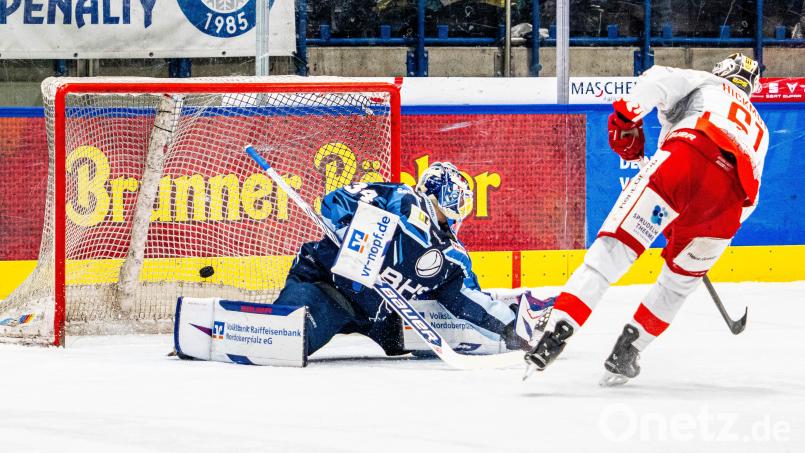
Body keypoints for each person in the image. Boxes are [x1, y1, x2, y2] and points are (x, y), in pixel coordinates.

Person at [524, 53, 768, 386]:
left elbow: (654, 79)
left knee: (613, 252)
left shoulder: (707, 82)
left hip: (686, 159)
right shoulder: (760, 129)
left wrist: (626, 120)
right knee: (678, 284)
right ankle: (627, 351)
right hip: (726, 208)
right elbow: (748, 199)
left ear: (723, 71)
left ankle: (555, 334)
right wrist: (697, 224)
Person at [275, 161, 552, 358]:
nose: (462, 210)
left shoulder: (452, 256)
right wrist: (351, 229)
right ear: (446, 192)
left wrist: (508, 328)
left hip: (376, 314)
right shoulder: (402, 198)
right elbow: (337, 201)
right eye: (461, 200)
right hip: (329, 287)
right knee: (292, 336)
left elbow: (466, 300)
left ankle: (519, 314)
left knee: (410, 339)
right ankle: (273, 323)